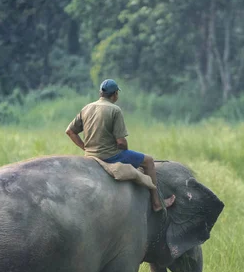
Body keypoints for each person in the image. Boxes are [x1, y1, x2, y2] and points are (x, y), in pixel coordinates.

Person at [65, 79, 175, 212]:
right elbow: (121, 142)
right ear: (115, 94)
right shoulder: (114, 110)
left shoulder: (86, 108)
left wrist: (86, 148)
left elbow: (70, 131)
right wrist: (125, 154)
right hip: (110, 156)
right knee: (149, 161)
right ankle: (157, 202)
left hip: (90, 155)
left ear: (101, 93)